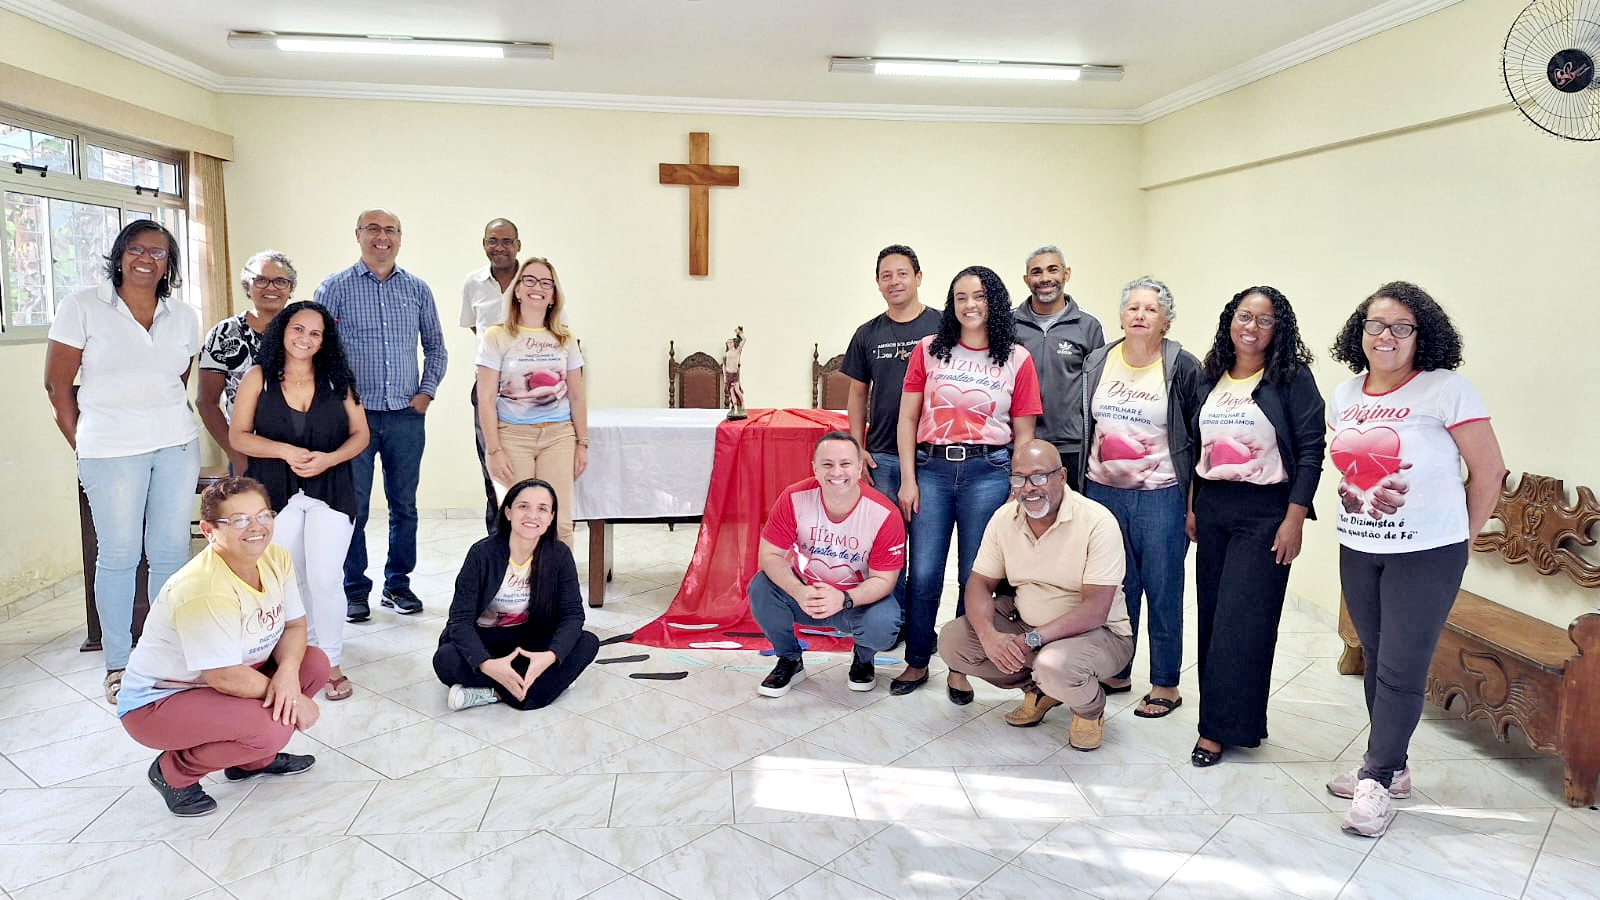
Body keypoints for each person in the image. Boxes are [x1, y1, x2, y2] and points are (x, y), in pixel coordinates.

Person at [1323, 281, 1505, 837]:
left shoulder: (1446, 390)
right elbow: (1355, 467)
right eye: (1376, 324)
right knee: (1375, 656)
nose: (1387, 336)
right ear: (1361, 331)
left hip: (1426, 552)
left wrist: (1464, 537)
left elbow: (1490, 471)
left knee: (1402, 666)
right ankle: (1395, 767)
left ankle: (1375, 777)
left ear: (1421, 336)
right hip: (1359, 544)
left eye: (1402, 327)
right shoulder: (1345, 394)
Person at [43, 220, 201, 704]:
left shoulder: (183, 315)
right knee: (118, 555)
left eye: (158, 252)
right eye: (136, 249)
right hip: (109, 450)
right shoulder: (82, 307)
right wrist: (86, 444)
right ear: (119, 254)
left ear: (169, 262)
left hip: (175, 443)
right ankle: (119, 662)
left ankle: (166, 655)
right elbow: (57, 386)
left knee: (172, 554)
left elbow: (178, 378)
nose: (146, 259)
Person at [117, 476, 329, 817]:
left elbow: (294, 625)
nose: (257, 527)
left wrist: (288, 676)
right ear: (208, 530)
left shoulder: (275, 558)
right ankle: (173, 774)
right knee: (271, 728)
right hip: (160, 702)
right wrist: (295, 699)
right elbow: (225, 677)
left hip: (227, 676)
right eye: (240, 520)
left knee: (313, 663)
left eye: (263, 515)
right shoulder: (203, 587)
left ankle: (252, 762)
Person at [1187, 286, 1324, 767]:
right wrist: (1193, 506)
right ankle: (1234, 720)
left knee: (1242, 623)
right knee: (1212, 617)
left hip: (1266, 512)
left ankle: (1215, 732)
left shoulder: (1291, 379)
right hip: (1214, 507)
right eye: (1245, 316)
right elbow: (1194, 447)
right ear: (1231, 320)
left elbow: (1311, 452)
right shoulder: (1211, 377)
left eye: (1265, 320)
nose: (1252, 327)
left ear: (1278, 329)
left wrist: (1295, 519)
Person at [894, 265, 1041, 699]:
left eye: (979, 296)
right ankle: (917, 661)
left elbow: (1025, 432)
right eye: (961, 297)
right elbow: (907, 417)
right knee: (923, 573)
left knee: (975, 576)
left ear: (994, 302)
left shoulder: (1017, 358)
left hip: (988, 472)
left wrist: (1018, 484)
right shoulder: (928, 350)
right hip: (933, 471)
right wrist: (908, 478)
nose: (970, 304)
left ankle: (959, 666)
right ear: (951, 303)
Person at [937, 441, 1132, 746]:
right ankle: (1040, 690)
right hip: (1026, 623)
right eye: (1019, 478)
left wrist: (1032, 640)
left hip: (1098, 633)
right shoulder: (1004, 518)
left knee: (1053, 665)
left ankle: (1089, 709)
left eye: (1039, 477)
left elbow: (1096, 608)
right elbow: (979, 583)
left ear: (1062, 476)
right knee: (953, 641)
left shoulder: (1097, 521)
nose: (1029, 488)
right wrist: (989, 636)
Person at [229, 301, 370, 702]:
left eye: (315, 333)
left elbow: (361, 435)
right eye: (298, 328)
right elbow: (240, 436)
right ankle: (298, 659)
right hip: (274, 491)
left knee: (325, 578)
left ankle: (331, 661)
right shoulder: (258, 377)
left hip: (332, 490)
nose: (305, 338)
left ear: (325, 341)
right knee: (288, 579)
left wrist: (329, 458)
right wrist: (285, 451)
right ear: (282, 331)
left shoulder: (337, 379)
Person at [314, 208, 447, 622]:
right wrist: (338, 402)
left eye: (390, 230)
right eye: (373, 229)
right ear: (358, 235)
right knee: (352, 507)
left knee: (404, 505)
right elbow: (317, 351)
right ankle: (354, 590)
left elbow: (437, 347)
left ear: (400, 239)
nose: (382, 237)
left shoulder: (418, 290)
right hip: (354, 419)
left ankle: (398, 584)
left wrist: (426, 393)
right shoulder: (333, 289)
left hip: (406, 416)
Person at [1078, 276, 1202, 718]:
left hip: (1160, 497)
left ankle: (1166, 683)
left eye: (1151, 309)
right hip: (1102, 493)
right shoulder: (1098, 361)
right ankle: (1118, 667)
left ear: (1166, 320)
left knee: (1163, 590)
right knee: (1115, 590)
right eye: (1133, 308)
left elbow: (1198, 438)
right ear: (1121, 315)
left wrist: (1192, 505)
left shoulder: (1182, 366)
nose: (1140, 316)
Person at [750, 431, 906, 697]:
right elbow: (769, 556)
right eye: (827, 464)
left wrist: (844, 599)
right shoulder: (793, 497)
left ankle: (863, 659)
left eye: (845, 464)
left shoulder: (885, 514)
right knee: (761, 588)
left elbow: (884, 580)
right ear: (814, 467)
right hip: (805, 594)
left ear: (859, 468)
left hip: (854, 601)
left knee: (886, 621)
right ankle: (790, 659)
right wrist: (799, 592)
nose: (836, 472)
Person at [434, 478, 600, 711]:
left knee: (587, 642)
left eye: (542, 509)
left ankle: (493, 694)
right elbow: (459, 622)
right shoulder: (482, 554)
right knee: (446, 659)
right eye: (523, 506)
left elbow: (572, 615)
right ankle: (546, 685)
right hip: (487, 639)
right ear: (509, 512)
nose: (533, 515)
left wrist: (549, 657)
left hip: (531, 640)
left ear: (551, 517)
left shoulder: (559, 554)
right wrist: (488, 665)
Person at [842, 245, 942, 620]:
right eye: (887, 275)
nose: (894, 281)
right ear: (878, 284)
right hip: (882, 456)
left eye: (902, 273)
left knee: (927, 554)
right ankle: (892, 621)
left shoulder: (943, 327)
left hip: (931, 457)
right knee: (887, 546)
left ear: (918, 277)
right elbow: (856, 392)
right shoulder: (868, 333)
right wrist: (856, 446)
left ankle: (920, 627)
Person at [476, 257, 589, 551]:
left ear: (553, 295)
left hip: (558, 436)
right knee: (519, 519)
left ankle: (557, 592)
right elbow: (485, 398)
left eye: (545, 283)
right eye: (529, 280)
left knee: (560, 520)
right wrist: (494, 449)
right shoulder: (496, 336)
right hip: (511, 436)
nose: (537, 287)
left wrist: (582, 444)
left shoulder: (565, 338)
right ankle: (519, 592)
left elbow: (577, 394)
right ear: (516, 289)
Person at [1012, 244, 1105, 491]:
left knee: (1071, 522)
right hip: (1017, 445)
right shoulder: (1009, 325)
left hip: (1071, 446)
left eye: (1052, 270)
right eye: (1036, 272)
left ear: (1066, 274)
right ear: (1026, 279)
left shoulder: (1088, 326)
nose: (1045, 278)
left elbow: (1097, 389)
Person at [198, 250, 295, 473]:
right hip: (249, 454)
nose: (271, 288)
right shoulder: (224, 333)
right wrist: (235, 454)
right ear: (247, 286)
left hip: (303, 452)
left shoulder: (306, 331)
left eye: (280, 281)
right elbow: (206, 402)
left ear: (290, 289)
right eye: (260, 280)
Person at [461, 218, 522, 533]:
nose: (499, 248)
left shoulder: (533, 280)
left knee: (526, 472)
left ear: (518, 245)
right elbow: (477, 327)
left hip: (529, 394)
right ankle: (499, 549)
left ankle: (533, 551)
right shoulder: (473, 283)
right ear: (484, 244)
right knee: (493, 470)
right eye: (492, 241)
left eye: (506, 241)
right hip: (487, 390)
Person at [724, 326, 747, 417]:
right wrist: (725, 376)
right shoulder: (726, 354)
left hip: (735, 374)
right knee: (732, 392)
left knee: (737, 390)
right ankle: (736, 408)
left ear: (733, 343)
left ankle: (742, 403)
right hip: (729, 374)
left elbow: (744, 340)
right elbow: (724, 365)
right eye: (727, 342)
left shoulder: (737, 351)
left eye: (730, 342)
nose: (729, 343)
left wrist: (739, 333)